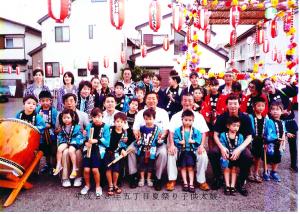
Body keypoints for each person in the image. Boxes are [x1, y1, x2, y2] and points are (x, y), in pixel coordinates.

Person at [210, 93, 253, 196]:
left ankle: (241, 181)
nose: (233, 106)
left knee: (247, 156)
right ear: (227, 105)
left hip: (239, 145)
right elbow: (215, 135)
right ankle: (218, 178)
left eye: (235, 103)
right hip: (224, 144)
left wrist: (239, 149)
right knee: (213, 152)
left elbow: (249, 137)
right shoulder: (222, 117)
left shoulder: (245, 118)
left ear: (239, 104)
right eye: (230, 103)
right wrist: (222, 148)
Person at [166, 93, 210, 192]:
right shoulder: (175, 116)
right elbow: (171, 132)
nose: (187, 103)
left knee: (203, 155)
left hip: (194, 146)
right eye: (185, 100)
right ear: (181, 102)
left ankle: (201, 180)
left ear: (193, 102)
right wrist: (172, 145)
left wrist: (202, 146)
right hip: (179, 145)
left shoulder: (199, 116)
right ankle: (172, 180)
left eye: (190, 100)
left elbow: (203, 133)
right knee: (171, 153)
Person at [128, 92, 169, 190]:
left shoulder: (163, 112)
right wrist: (138, 138)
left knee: (163, 153)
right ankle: (133, 175)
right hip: (142, 142)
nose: (151, 100)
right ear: (145, 100)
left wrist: (160, 137)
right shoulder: (140, 113)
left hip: (157, 143)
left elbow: (166, 130)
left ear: (157, 100)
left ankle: (158, 178)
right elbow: (135, 129)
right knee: (130, 150)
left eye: (153, 98)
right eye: (149, 98)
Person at [263, 78, 298, 172]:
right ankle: (273, 161)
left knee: (293, 144)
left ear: (273, 83)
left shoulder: (283, 91)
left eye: (269, 84)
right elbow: (269, 112)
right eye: (266, 85)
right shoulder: (268, 97)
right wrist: (281, 114)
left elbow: (295, 91)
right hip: (277, 124)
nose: (268, 86)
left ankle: (293, 164)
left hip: (290, 121)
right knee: (275, 143)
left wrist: (287, 83)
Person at [55, 93, 89, 188]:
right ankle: (65, 177)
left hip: (78, 142)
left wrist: (84, 132)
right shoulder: (60, 115)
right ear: (63, 103)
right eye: (66, 101)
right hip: (65, 141)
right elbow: (56, 130)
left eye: (71, 101)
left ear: (76, 102)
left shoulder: (83, 115)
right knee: (65, 152)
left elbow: (89, 128)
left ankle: (78, 176)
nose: (69, 103)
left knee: (77, 152)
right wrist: (59, 130)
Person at [81, 107, 110, 197]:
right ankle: (87, 185)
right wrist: (86, 142)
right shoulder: (89, 126)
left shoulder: (106, 127)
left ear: (102, 116)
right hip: (89, 148)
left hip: (99, 149)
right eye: (94, 117)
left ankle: (98, 186)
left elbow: (107, 141)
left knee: (94, 169)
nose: (96, 119)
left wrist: (96, 140)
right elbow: (84, 139)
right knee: (86, 169)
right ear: (91, 118)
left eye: (99, 116)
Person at [173, 110, 202, 193]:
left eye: (190, 120)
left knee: (190, 167)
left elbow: (198, 139)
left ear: (193, 121)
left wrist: (194, 141)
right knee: (183, 167)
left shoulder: (195, 131)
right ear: (182, 119)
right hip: (182, 151)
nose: (187, 122)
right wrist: (179, 142)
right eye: (185, 120)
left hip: (190, 151)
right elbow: (175, 138)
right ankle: (185, 182)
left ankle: (191, 183)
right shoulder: (178, 130)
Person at [135, 108, 163, 187]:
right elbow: (139, 137)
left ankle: (149, 178)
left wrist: (160, 140)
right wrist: (138, 140)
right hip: (143, 148)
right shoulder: (142, 128)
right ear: (144, 119)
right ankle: (142, 178)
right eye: (146, 119)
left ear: (154, 119)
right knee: (141, 163)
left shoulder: (157, 129)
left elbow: (159, 140)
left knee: (151, 163)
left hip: (152, 149)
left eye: (150, 119)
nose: (148, 121)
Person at [53, 109, 83, 180]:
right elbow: (60, 135)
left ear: (72, 118)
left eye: (68, 118)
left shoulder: (77, 127)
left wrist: (74, 142)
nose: (66, 120)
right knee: (59, 148)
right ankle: (58, 165)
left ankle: (74, 168)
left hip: (74, 142)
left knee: (71, 150)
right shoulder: (62, 127)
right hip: (66, 141)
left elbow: (80, 136)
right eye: (64, 118)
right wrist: (61, 140)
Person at [104, 112, 128, 196]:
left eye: (121, 122)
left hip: (117, 153)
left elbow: (123, 144)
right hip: (107, 152)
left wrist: (123, 150)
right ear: (114, 122)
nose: (119, 123)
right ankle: (110, 185)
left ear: (124, 123)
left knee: (116, 169)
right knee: (108, 168)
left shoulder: (124, 133)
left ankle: (115, 184)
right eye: (117, 121)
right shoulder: (110, 129)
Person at [220, 116, 244, 196]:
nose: (236, 128)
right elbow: (222, 145)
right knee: (226, 169)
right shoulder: (223, 135)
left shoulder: (240, 136)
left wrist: (237, 154)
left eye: (237, 126)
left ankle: (232, 185)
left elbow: (240, 147)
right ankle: (227, 185)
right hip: (226, 154)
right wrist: (225, 154)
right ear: (228, 126)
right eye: (234, 125)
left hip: (235, 155)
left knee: (234, 169)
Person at [263, 101, 287, 182]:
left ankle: (273, 172)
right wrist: (276, 138)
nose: (275, 111)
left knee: (277, 158)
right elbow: (268, 133)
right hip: (270, 144)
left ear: (282, 111)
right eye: (273, 109)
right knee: (268, 158)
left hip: (280, 144)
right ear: (270, 111)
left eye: (277, 109)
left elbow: (283, 131)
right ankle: (266, 171)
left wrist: (285, 139)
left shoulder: (282, 122)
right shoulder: (269, 121)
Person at [36, 90, 58, 174]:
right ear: (40, 101)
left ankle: (54, 165)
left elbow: (55, 123)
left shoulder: (54, 111)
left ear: (51, 101)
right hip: (41, 134)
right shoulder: (37, 110)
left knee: (52, 149)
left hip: (51, 133)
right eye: (43, 101)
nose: (45, 103)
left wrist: (50, 125)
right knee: (45, 150)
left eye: (47, 100)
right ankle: (47, 164)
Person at [203, 77, 227, 151]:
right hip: (209, 119)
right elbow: (205, 108)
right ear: (209, 86)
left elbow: (224, 109)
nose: (214, 87)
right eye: (212, 85)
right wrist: (208, 116)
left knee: (217, 135)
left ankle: (217, 151)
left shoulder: (223, 97)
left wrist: (217, 116)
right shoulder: (206, 97)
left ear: (218, 86)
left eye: (215, 85)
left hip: (219, 119)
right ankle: (210, 152)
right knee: (210, 136)